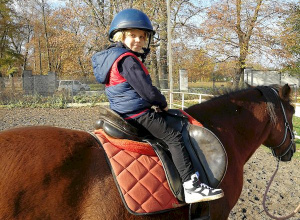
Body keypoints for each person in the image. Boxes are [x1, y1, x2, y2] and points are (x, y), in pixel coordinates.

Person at [91, 8, 224, 204]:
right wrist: (161, 103)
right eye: (132, 35)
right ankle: (191, 186)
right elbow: (147, 91)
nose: (138, 40)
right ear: (121, 36)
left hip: (123, 112)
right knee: (173, 137)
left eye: (141, 36)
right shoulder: (127, 60)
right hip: (137, 114)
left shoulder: (113, 58)